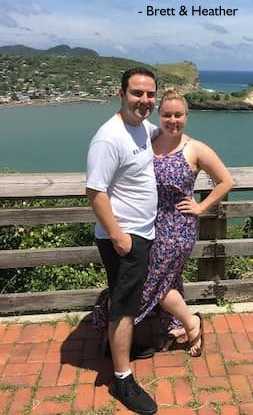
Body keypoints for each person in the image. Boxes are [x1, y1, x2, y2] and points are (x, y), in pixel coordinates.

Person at [134, 87, 234, 356]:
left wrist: (201, 206)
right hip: (149, 224)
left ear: (186, 116)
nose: (172, 120)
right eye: (167, 114)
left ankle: (191, 323)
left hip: (178, 227)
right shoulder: (150, 140)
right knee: (169, 279)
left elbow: (226, 181)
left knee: (150, 279)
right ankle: (175, 328)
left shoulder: (195, 148)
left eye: (178, 115)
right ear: (159, 115)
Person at [86, 67, 158, 415]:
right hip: (125, 238)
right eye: (137, 93)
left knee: (128, 300)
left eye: (149, 95)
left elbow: (171, 135)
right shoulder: (109, 136)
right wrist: (118, 236)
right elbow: (95, 192)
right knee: (124, 306)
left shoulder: (143, 128)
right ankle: (122, 377)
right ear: (121, 93)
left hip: (142, 232)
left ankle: (122, 350)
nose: (144, 101)